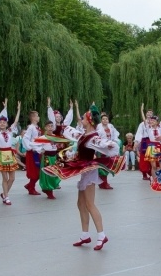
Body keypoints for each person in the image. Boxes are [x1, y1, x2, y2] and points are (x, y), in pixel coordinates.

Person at [43, 103, 123, 249]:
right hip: (83, 169)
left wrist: (110, 145)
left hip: (89, 171)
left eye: (84, 117)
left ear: (90, 121)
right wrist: (71, 154)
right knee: (80, 204)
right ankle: (85, 235)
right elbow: (67, 131)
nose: (82, 119)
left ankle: (101, 235)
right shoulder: (83, 135)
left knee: (90, 204)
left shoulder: (92, 137)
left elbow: (110, 146)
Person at [96, 112, 120, 190]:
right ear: (101, 120)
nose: (105, 120)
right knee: (103, 167)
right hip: (102, 149)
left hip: (110, 148)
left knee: (107, 166)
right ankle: (104, 183)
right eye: (103, 119)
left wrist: (113, 143)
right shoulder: (99, 129)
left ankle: (102, 182)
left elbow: (115, 135)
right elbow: (98, 139)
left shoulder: (111, 127)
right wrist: (106, 145)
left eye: (106, 119)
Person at [22, 109, 43, 195]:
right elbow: (25, 138)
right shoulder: (31, 127)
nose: (39, 117)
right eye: (37, 116)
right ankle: (31, 188)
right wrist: (30, 148)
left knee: (39, 170)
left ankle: (30, 185)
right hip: (33, 152)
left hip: (38, 151)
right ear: (33, 118)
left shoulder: (37, 127)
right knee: (35, 171)